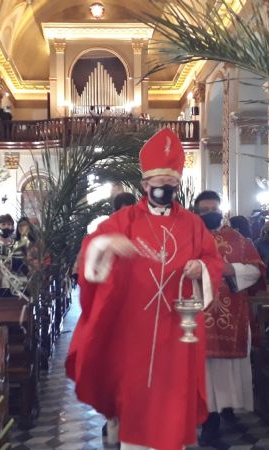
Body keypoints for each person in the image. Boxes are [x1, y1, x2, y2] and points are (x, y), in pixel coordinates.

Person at [66, 128, 224, 450]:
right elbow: (90, 250)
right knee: (135, 397)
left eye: (172, 185)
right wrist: (109, 243)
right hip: (132, 327)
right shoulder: (125, 220)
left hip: (177, 328)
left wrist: (201, 269)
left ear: (178, 186)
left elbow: (213, 260)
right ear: (145, 185)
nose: (165, 189)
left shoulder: (193, 224)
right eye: (159, 184)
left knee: (172, 401)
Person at [194, 191, 265, 446]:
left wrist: (231, 269)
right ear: (196, 212)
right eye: (204, 210)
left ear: (221, 209)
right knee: (204, 373)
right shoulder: (186, 239)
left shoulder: (237, 239)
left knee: (226, 374)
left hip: (231, 316)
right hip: (197, 317)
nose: (209, 213)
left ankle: (228, 409)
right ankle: (209, 423)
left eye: (213, 208)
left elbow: (257, 270)